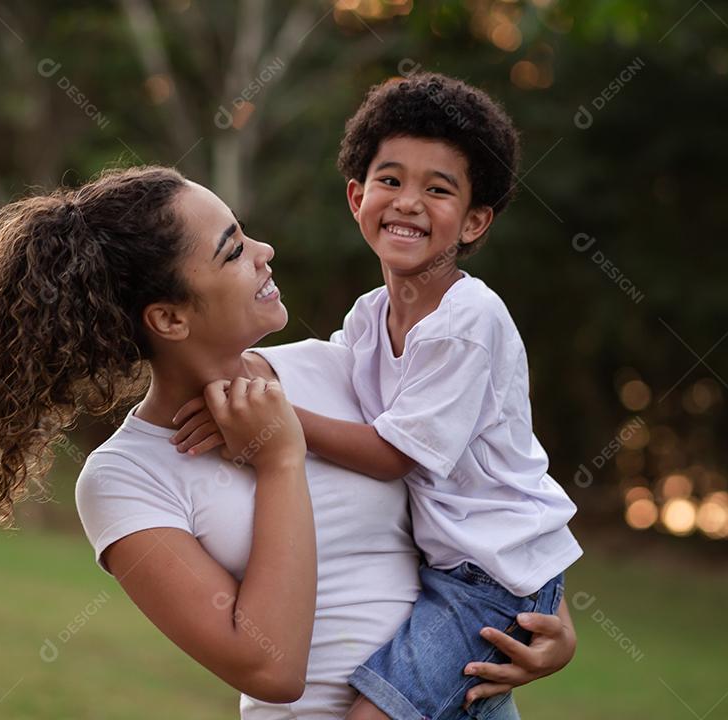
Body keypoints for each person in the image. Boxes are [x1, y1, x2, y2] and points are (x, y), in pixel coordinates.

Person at [0, 165, 576, 719]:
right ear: (169, 317)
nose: (265, 251)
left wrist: (547, 617)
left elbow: (477, 486)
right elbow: (270, 669)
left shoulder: (342, 368)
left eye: (246, 234)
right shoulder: (125, 479)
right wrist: (279, 460)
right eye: (232, 251)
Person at [175, 72, 582, 720]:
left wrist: (271, 420)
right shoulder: (369, 317)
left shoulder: (467, 322)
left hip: (493, 578)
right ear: (357, 196)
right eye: (390, 180)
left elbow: (395, 455)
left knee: (374, 713)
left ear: (475, 220)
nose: (409, 203)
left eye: (438, 189)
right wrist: (228, 384)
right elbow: (320, 378)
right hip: (449, 569)